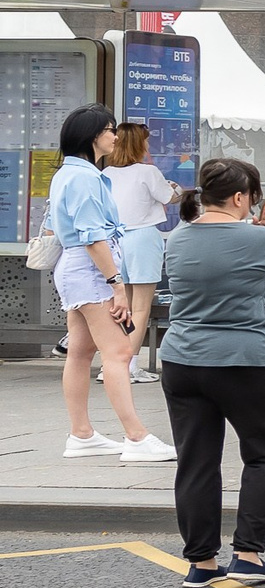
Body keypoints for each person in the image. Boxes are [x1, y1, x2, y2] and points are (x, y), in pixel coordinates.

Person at [160, 158, 265, 588]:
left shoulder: (178, 238)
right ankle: (248, 555)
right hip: (243, 361)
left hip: (182, 360)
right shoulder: (259, 237)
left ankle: (200, 563)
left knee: (196, 461)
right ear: (241, 197)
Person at [49, 107, 173, 463]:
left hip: (75, 267)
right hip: (91, 269)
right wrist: (116, 284)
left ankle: (82, 434)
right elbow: (93, 237)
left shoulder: (69, 173)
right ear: (92, 137)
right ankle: (136, 436)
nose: (115, 136)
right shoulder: (86, 178)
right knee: (118, 353)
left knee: (80, 352)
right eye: (108, 130)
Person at [104, 121, 178, 385]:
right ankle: (129, 365)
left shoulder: (107, 173)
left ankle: (111, 362)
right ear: (139, 144)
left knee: (119, 305)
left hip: (114, 241)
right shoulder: (148, 172)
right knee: (140, 307)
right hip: (143, 238)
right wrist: (176, 190)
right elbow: (170, 197)